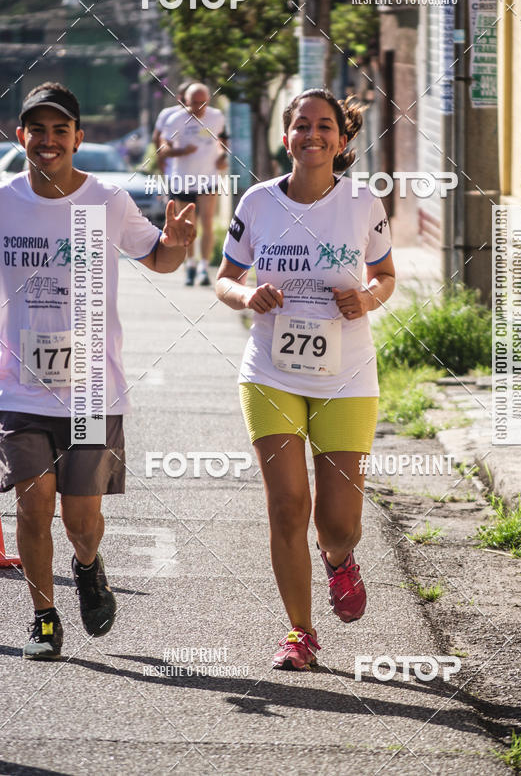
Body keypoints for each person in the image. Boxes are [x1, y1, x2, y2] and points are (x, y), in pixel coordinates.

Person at [0, 82, 195, 660]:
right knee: (33, 505)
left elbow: (158, 257)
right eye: (38, 129)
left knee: (81, 520)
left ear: (78, 138)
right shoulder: (4, 201)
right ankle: (43, 617)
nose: (49, 140)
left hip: (91, 392)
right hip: (19, 388)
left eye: (60, 130)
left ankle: (87, 565)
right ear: (21, 136)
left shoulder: (107, 200)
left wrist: (178, 244)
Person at [216, 88, 395, 670]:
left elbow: (386, 274)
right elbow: (224, 277)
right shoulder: (258, 201)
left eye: (324, 126)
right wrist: (248, 295)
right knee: (288, 506)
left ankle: (339, 559)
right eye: (301, 125)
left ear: (341, 139)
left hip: (347, 374)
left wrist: (366, 298)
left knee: (338, 523)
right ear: (285, 136)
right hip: (270, 370)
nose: (312, 134)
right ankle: (300, 632)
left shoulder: (363, 201)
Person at [163, 82, 228, 287]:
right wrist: (182, 152)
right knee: (188, 225)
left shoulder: (217, 117)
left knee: (207, 222)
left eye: (203, 103)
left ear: (208, 100)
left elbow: (223, 141)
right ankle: (190, 264)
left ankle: (204, 267)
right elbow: (164, 149)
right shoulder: (175, 120)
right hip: (183, 179)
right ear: (185, 101)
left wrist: (222, 156)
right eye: (194, 103)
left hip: (208, 178)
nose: (199, 107)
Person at [152, 80, 192, 175]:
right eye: (183, 98)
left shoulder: (203, 116)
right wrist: (161, 158)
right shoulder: (167, 114)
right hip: (172, 168)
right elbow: (157, 138)